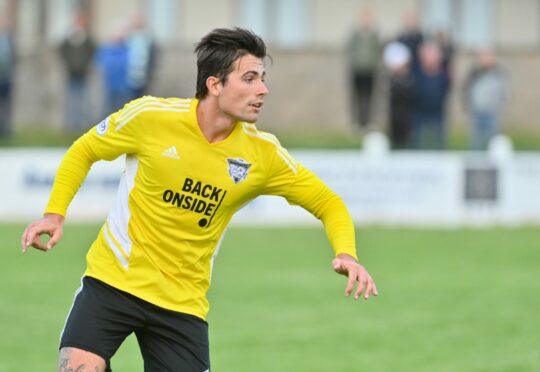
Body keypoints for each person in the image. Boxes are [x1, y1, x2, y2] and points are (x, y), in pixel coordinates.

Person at [21, 28, 378, 372]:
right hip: (112, 282)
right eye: (250, 78)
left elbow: (327, 202)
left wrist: (346, 252)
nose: (263, 90)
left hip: (181, 304)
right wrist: (55, 213)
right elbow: (85, 149)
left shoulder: (262, 154)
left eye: (263, 78)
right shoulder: (150, 117)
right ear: (215, 84)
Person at [463, 48, 508, 150]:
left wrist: (499, 108)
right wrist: (469, 107)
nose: (485, 59)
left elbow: (504, 93)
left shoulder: (498, 73)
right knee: (476, 143)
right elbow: (466, 91)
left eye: (488, 56)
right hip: (476, 113)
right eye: (483, 57)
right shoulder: (474, 74)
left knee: (493, 144)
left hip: (492, 113)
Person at [59, 12, 96, 133]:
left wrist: (85, 65)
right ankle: (72, 125)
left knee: (84, 100)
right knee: (72, 100)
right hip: (71, 74)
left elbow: (92, 51)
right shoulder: (69, 38)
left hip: (83, 74)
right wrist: (69, 64)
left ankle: (83, 124)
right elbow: (61, 51)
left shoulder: (87, 38)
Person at [347, 7, 381, 130]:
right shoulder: (356, 35)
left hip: (370, 71)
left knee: (370, 97)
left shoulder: (374, 35)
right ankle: (357, 124)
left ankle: (368, 123)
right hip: (357, 70)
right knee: (357, 98)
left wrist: (376, 65)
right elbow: (351, 51)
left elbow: (378, 52)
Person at [412, 41, 449, 149]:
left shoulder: (443, 75)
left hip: (438, 111)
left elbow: (446, 89)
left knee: (439, 142)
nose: (431, 59)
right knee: (417, 142)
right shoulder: (416, 73)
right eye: (428, 56)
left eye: (433, 56)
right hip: (419, 111)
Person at [383, 41, 414, 149]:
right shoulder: (391, 80)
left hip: (405, 114)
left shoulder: (409, 79)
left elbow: (410, 92)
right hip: (394, 115)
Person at [95, 22, 130, 114]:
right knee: (108, 109)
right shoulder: (107, 48)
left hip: (123, 84)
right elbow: (102, 62)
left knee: (122, 109)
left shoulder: (127, 48)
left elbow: (127, 63)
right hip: (109, 83)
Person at [124, 15, 156, 102]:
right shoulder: (127, 38)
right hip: (129, 76)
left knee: (141, 101)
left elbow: (152, 57)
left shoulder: (147, 38)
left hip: (144, 76)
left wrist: (150, 73)